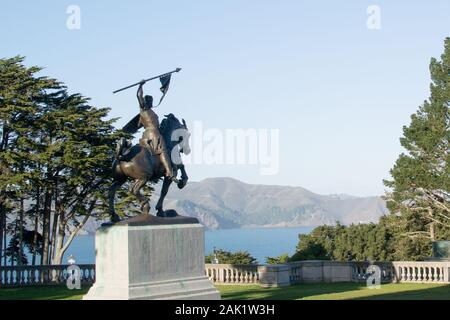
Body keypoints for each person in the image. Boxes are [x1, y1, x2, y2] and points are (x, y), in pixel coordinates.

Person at [135, 80, 178, 182]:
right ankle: (169, 172)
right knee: (163, 151)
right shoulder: (144, 109)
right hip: (153, 133)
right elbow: (139, 96)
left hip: (151, 132)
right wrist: (141, 85)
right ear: (146, 102)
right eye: (149, 101)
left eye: (151, 101)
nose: (151, 103)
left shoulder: (150, 111)